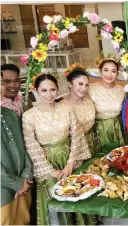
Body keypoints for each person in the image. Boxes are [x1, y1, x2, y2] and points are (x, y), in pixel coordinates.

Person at [22, 74, 93, 225]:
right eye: (44, 90)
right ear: (36, 91)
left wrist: (71, 162)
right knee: (55, 201)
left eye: (52, 89)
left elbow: (76, 135)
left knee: (75, 193)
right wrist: (50, 170)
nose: (49, 94)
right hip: (47, 164)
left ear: (58, 89)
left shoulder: (66, 109)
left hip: (69, 159)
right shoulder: (29, 116)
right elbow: (31, 146)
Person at [1, 82, 33, 225]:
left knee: (23, 220)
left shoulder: (10, 114)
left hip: (23, 185)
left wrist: (26, 175)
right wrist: (16, 183)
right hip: (3, 190)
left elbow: (23, 146)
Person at [59, 65, 100, 155]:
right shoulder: (62, 106)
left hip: (93, 144)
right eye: (80, 84)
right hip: (75, 150)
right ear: (70, 84)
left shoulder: (89, 101)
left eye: (86, 85)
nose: (84, 89)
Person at [89, 56, 125, 149]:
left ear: (117, 73)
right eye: (106, 70)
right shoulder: (90, 89)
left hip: (118, 130)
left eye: (113, 71)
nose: (109, 74)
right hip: (99, 131)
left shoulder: (122, 90)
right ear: (100, 71)